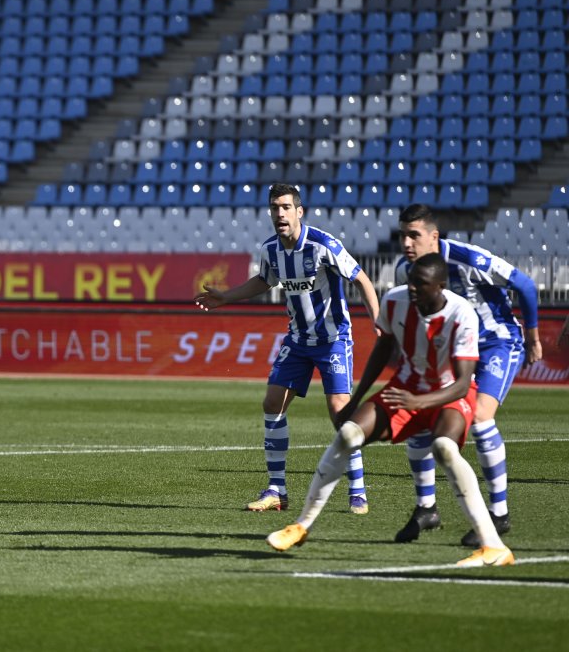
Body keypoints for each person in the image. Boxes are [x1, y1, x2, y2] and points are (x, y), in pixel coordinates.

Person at [268, 253, 515, 567]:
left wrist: (419, 403)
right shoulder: (395, 301)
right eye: (411, 281)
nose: (412, 288)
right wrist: (355, 401)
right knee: (347, 434)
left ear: (440, 286)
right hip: (405, 388)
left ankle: (493, 546)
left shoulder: (462, 313)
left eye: (421, 284)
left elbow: (463, 383)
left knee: (444, 448)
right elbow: (382, 349)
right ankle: (301, 526)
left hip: (449, 393)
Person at [194, 183, 380, 514]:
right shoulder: (270, 250)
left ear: (299, 211)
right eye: (274, 208)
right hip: (297, 340)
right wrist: (226, 297)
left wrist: (379, 321)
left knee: (340, 411)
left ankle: (358, 490)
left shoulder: (323, 244)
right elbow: (263, 281)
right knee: (272, 402)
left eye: (285, 207)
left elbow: (361, 279)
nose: (279, 213)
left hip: (333, 340)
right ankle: (277, 490)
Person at [392, 204, 541, 547]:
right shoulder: (406, 270)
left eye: (414, 235)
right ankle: (426, 508)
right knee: (419, 417)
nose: (407, 243)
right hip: (452, 351)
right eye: (403, 236)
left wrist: (533, 338)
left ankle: (499, 513)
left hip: (496, 344)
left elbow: (525, 285)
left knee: (481, 417)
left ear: (433, 236)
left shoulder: (468, 259)